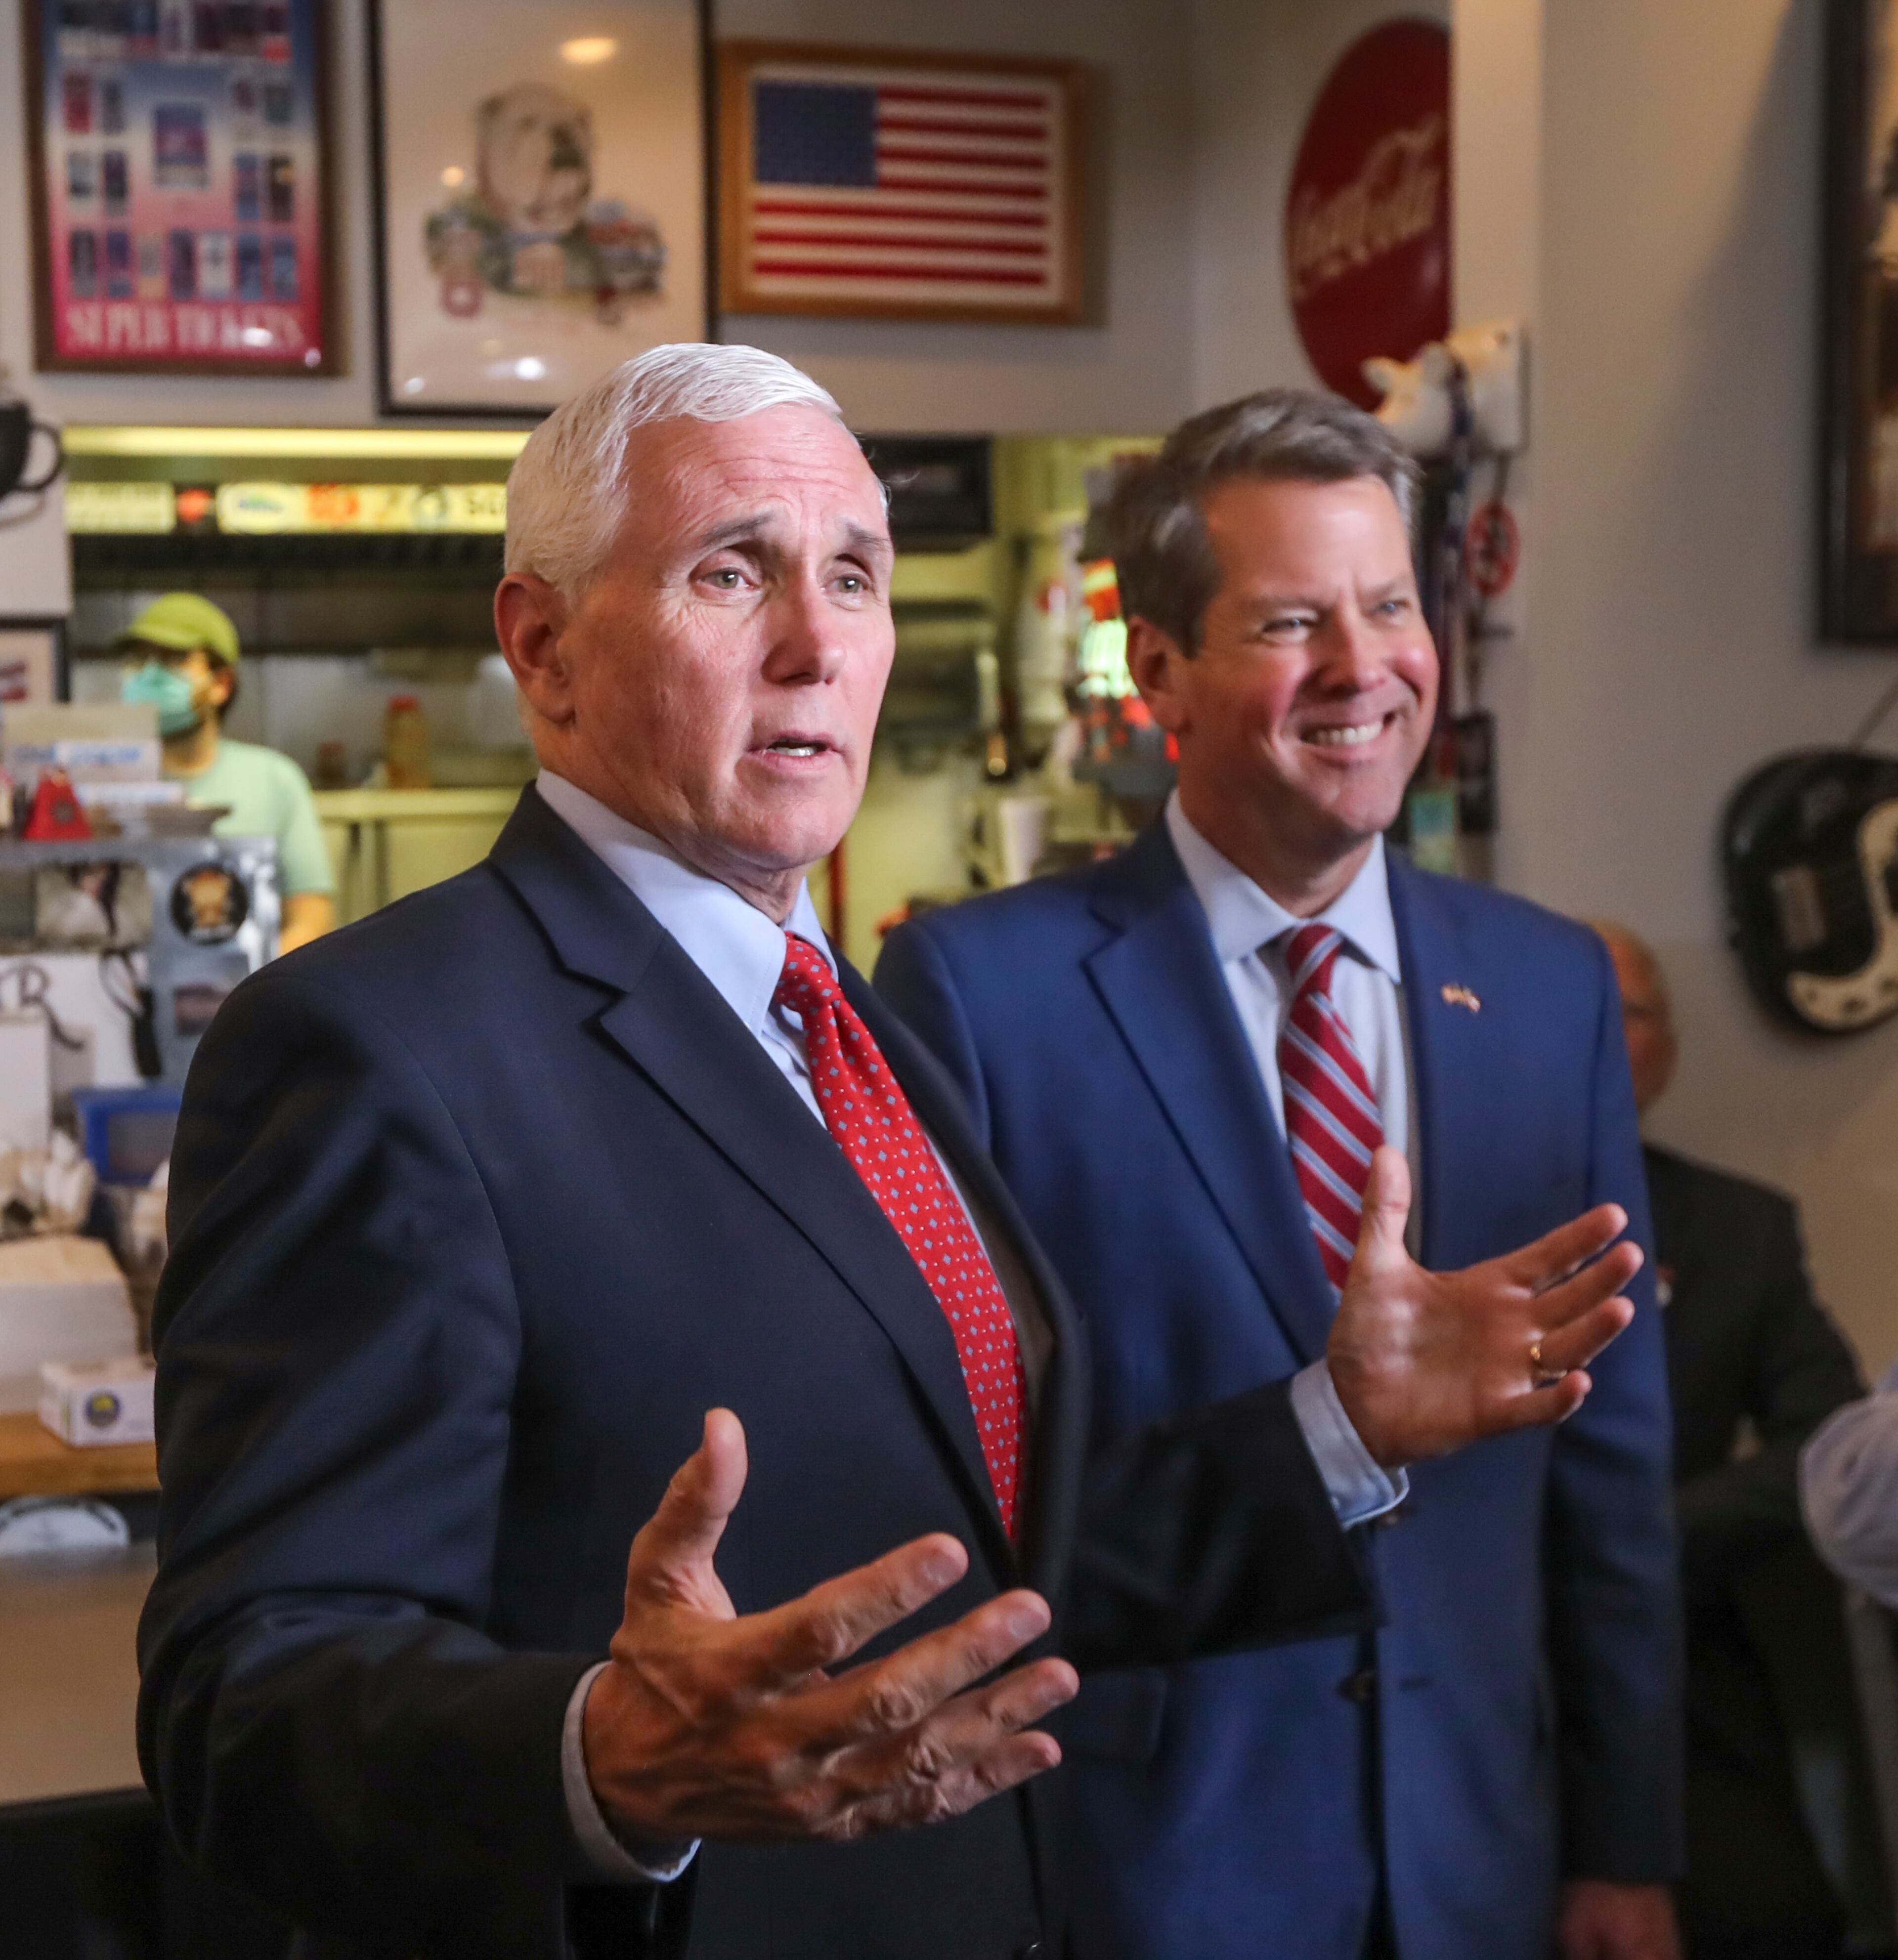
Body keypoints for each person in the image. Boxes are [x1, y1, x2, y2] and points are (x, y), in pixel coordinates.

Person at [136, 347, 1644, 1960]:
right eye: (734, 571)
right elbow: (247, 1697)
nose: (815, 642)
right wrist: (602, 1758)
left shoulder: (845, 1025)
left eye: (854, 575)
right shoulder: (375, 1045)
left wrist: (1338, 1429)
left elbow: (994, 1566)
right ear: (545, 646)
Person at [876, 389, 1682, 1960]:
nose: (1359, 665)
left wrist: (1623, 1843)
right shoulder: (976, 998)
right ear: (1154, 669)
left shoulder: (1545, 986)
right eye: (1289, 620)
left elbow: (1611, 1481)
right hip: (1147, 1865)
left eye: (1388, 605)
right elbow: (959, 1507)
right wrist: (1325, 1430)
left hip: (1485, 1858)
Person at [1592, 922, 1865, 1960]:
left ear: (1667, 1050)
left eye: (1632, 1015)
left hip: (1685, 1657)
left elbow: (1836, 1448)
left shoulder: (1741, 1230)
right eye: (1582, 1016)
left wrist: (1653, 1536)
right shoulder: (1430, 1226)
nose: (1606, 1039)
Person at [116, 592, 335, 951]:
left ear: (222, 684)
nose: (151, 676)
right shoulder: (105, 784)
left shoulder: (274, 779)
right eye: (140, 660)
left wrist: (253, 987)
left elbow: (310, 917)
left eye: (173, 659)